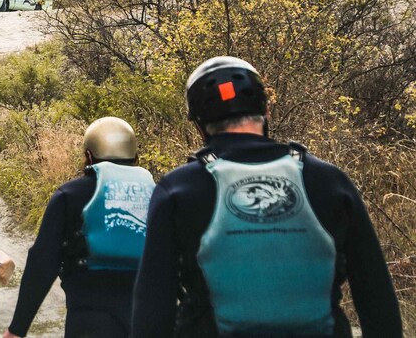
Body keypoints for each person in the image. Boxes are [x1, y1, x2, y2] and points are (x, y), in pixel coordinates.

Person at [131, 56, 402, 337]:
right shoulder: (330, 181)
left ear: (198, 125)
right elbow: (375, 294)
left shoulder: (178, 189)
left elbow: (154, 302)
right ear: (267, 111)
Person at [4, 117, 155, 338]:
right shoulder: (160, 194)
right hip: (148, 319)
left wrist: (17, 328)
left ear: (89, 156)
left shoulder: (69, 195)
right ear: (135, 157)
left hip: (89, 321)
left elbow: (42, 262)